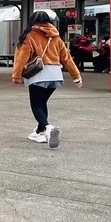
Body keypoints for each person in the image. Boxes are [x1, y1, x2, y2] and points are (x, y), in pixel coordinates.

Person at [12, 11, 82, 149]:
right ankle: (39, 131)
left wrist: (16, 76)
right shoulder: (56, 36)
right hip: (55, 74)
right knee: (42, 103)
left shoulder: (30, 35)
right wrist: (76, 76)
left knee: (36, 105)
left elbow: (21, 58)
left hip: (39, 74)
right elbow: (66, 58)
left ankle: (47, 128)